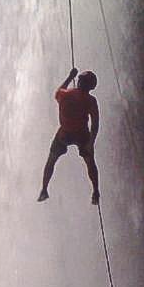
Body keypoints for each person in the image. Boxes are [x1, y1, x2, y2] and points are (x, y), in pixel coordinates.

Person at [38, 67, 101, 205]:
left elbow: (57, 93)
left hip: (64, 134)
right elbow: (95, 125)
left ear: (79, 82)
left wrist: (69, 76)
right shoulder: (91, 101)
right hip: (82, 135)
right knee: (90, 162)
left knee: (51, 160)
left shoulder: (65, 95)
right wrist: (90, 143)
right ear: (91, 86)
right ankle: (96, 192)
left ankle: (44, 189)